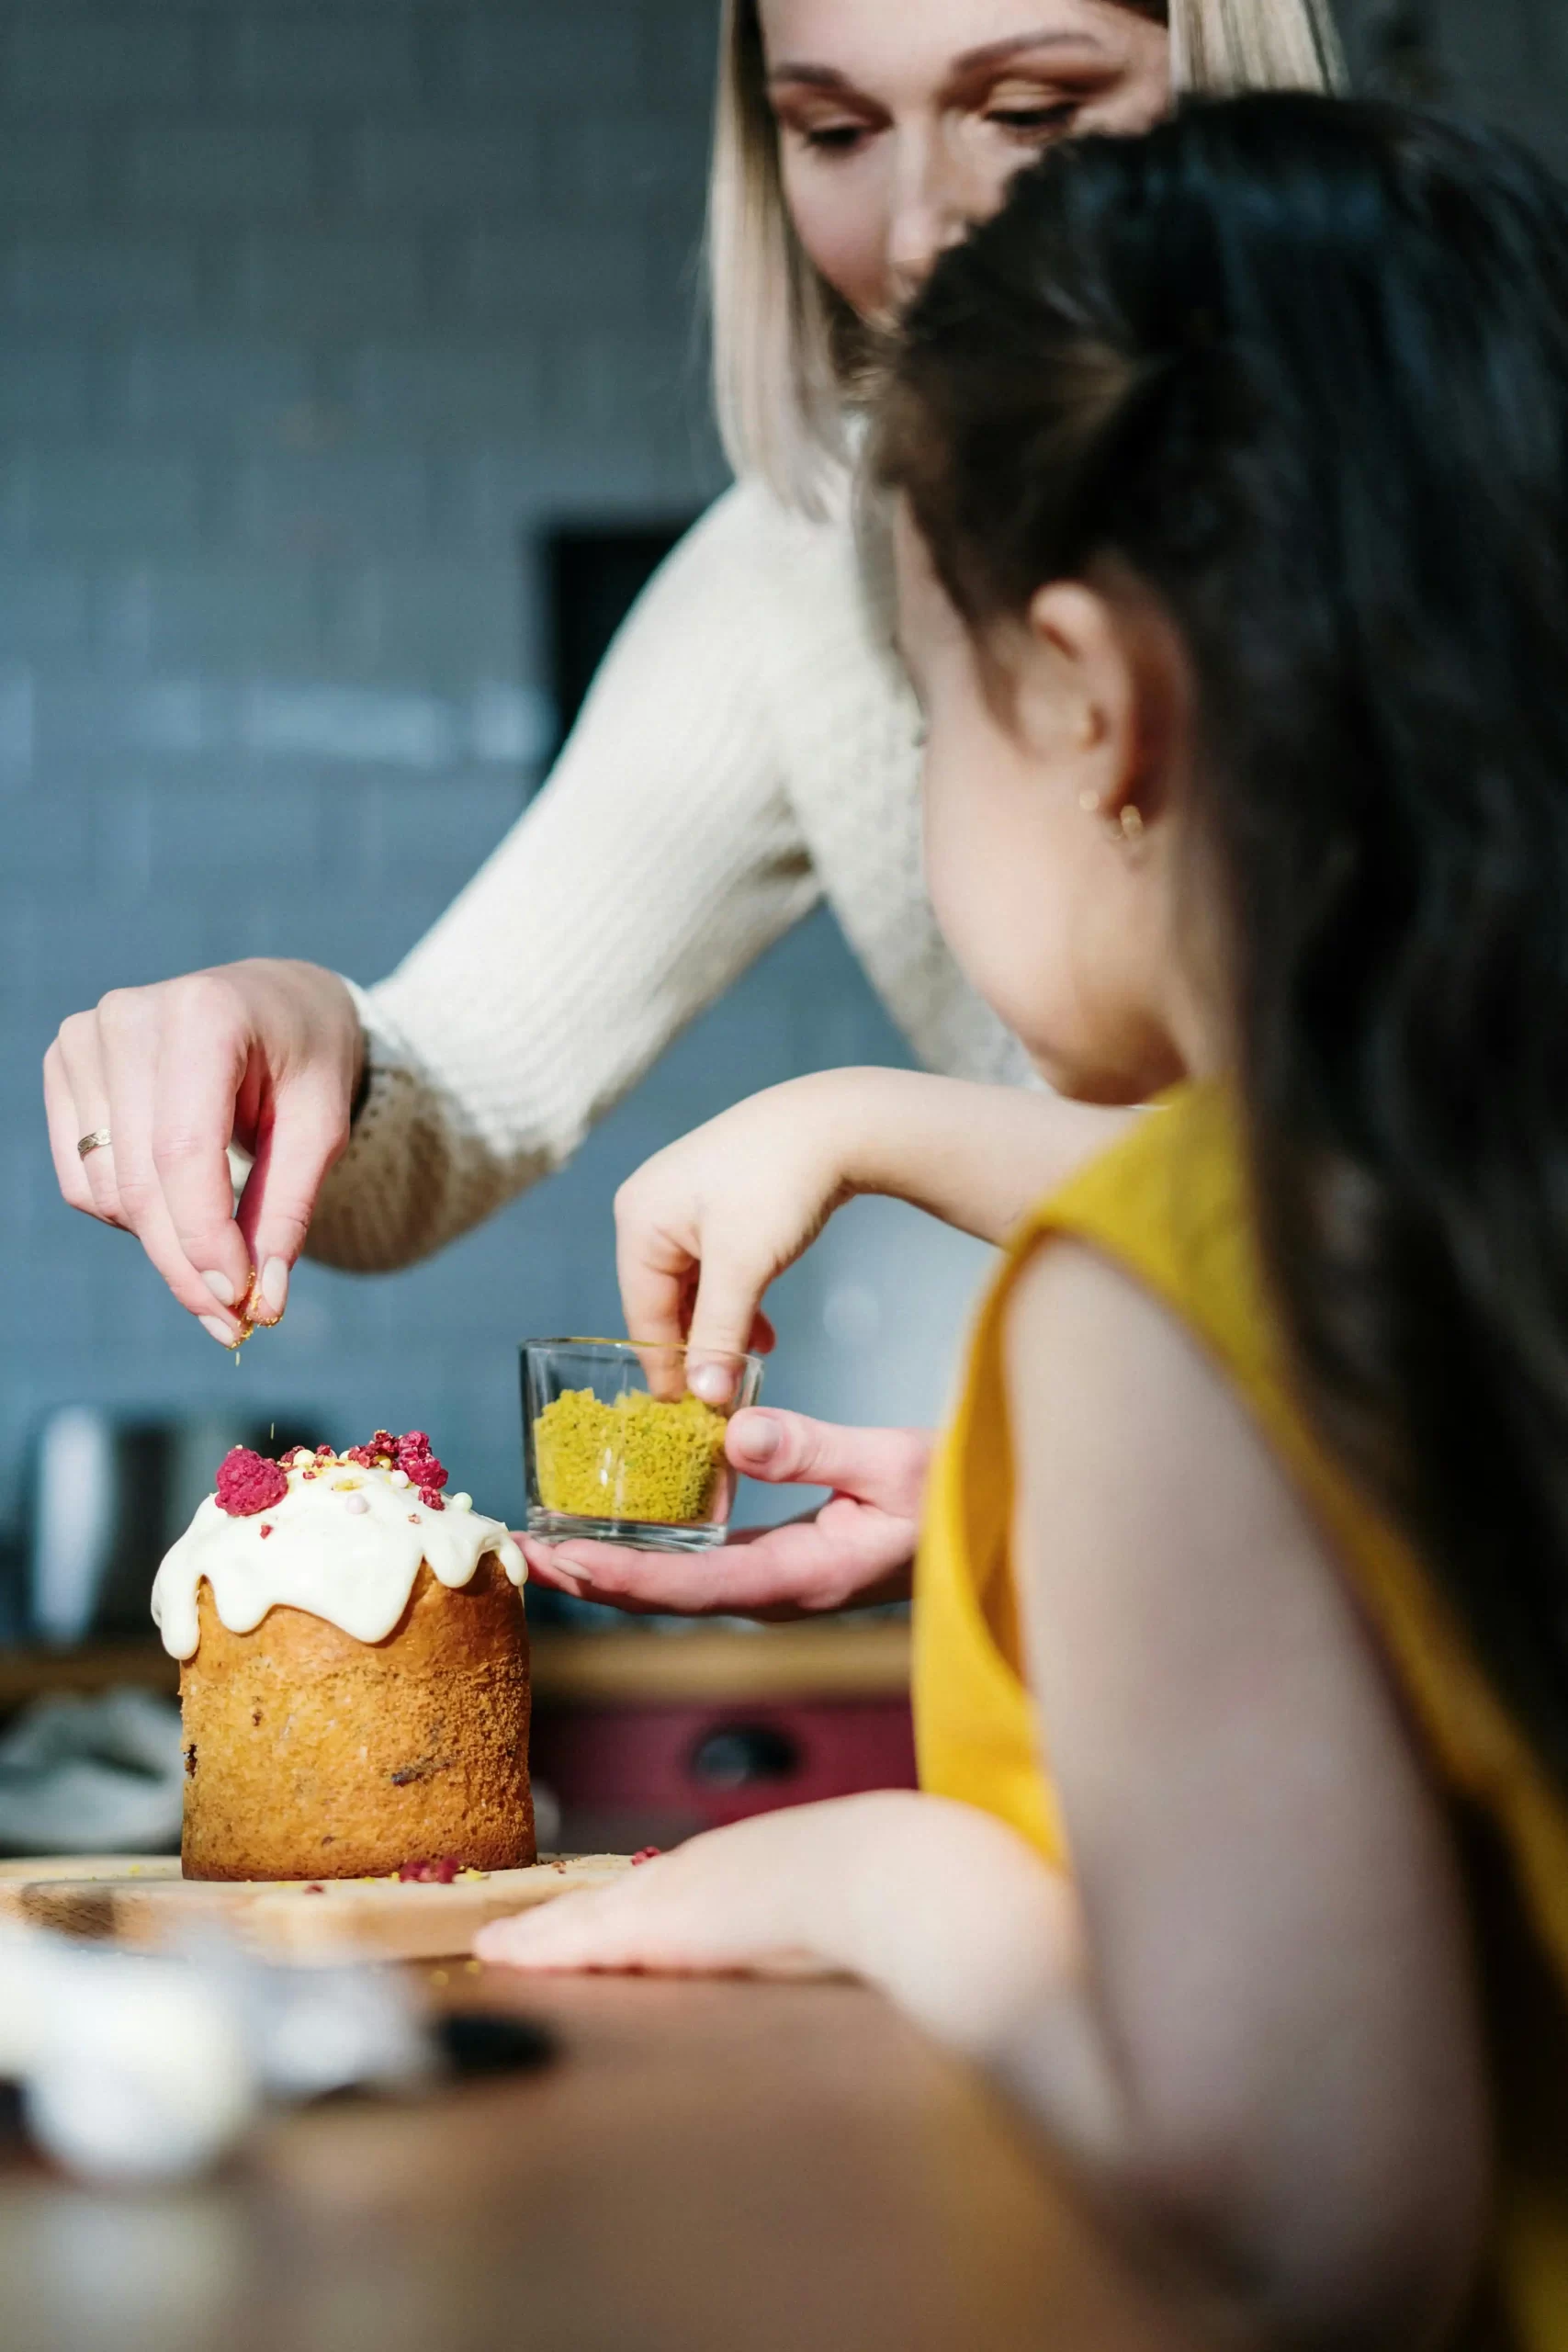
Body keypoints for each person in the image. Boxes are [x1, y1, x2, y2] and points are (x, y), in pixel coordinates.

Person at [480, 96, 1568, 2346]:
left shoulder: (1139, 1313)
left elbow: (1313, 2215)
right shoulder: (1456, 1174)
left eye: (931, 698)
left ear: (1085, 700)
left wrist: (908, 1881)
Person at [43, 0, 1339, 1610]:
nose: (927, 229)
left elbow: (1409, 1216)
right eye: (835, 133)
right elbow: (459, 1095)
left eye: (1031, 112)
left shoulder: (1449, 533)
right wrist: (293, 1025)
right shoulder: (806, 561)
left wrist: (878, 1125)